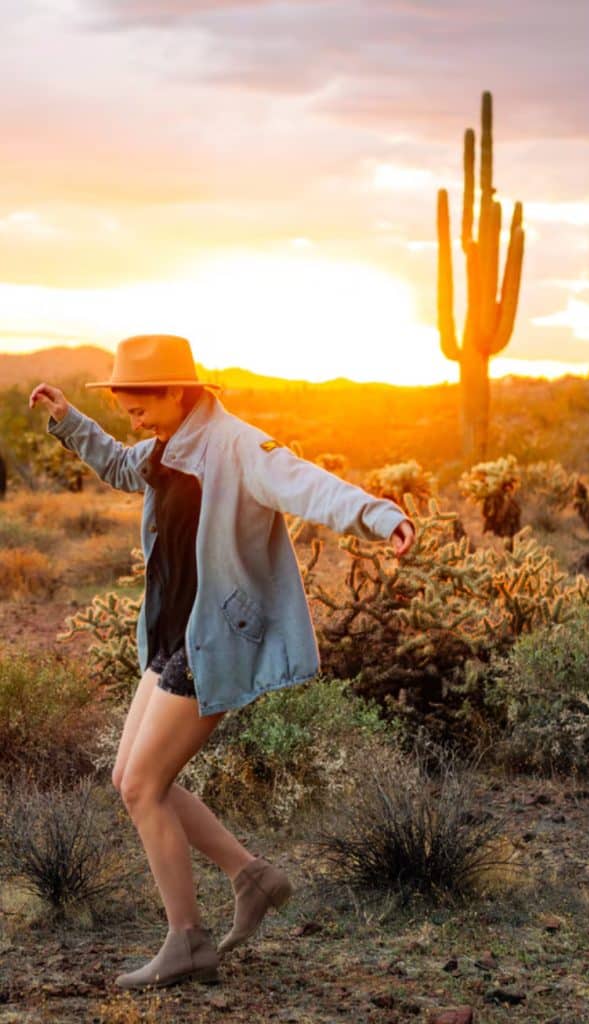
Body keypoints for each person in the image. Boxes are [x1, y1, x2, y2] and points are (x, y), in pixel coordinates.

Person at [29, 334, 415, 991]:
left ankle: (187, 942)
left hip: (217, 635)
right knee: (132, 775)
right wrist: (72, 422)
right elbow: (125, 468)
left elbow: (302, 483)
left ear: (178, 392)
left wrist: (374, 515)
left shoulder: (236, 445)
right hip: (172, 634)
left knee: (141, 787)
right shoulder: (165, 442)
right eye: (122, 405)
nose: (133, 417)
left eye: (139, 403)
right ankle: (253, 878)